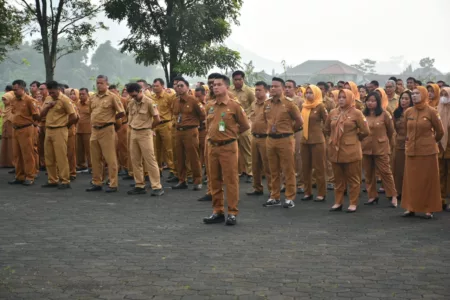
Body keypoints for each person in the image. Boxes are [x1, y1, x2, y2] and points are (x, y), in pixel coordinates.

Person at [202, 74, 250, 226]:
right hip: (213, 146)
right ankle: (217, 211)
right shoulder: (210, 106)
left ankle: (232, 212)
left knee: (231, 181)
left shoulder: (234, 106)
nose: (214, 87)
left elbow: (245, 126)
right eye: (213, 85)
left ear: (226, 87)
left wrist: (232, 134)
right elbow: (208, 124)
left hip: (228, 146)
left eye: (218, 84)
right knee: (214, 180)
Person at [324, 89, 370, 213]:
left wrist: (355, 138)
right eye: (339, 97)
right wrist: (334, 138)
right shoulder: (333, 112)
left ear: (350, 98)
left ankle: (353, 203)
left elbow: (365, 131)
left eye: (344, 97)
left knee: (353, 179)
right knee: (338, 179)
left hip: (351, 150)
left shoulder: (357, 113)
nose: (341, 99)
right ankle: (338, 202)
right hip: (335, 150)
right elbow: (326, 128)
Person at [401, 86, 444, 219]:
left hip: (427, 152)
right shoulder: (408, 112)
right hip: (412, 152)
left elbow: (440, 132)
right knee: (411, 181)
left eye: (417, 93)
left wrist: (430, 142)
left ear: (424, 95)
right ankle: (411, 207)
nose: (414, 96)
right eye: (412, 93)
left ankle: (428, 209)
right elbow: (405, 129)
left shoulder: (432, 111)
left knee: (427, 181)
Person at [263, 77, 303, 209]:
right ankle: (274, 196)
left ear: (282, 88)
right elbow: (265, 120)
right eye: (271, 86)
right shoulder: (267, 103)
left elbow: (299, 121)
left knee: (288, 169)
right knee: (273, 169)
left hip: (285, 139)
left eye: (276, 86)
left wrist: (290, 131)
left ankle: (289, 197)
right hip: (270, 139)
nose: (273, 88)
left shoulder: (289, 103)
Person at [86, 75, 125, 193]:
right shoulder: (92, 98)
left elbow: (121, 112)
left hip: (107, 129)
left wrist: (111, 118)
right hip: (94, 129)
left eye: (101, 83)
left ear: (107, 84)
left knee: (110, 157)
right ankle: (97, 182)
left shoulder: (112, 97)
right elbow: (90, 112)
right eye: (97, 83)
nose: (99, 85)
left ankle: (113, 183)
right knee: (95, 158)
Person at [126, 83, 164, 196]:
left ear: (140, 91)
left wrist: (149, 128)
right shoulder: (131, 102)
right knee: (135, 160)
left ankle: (157, 187)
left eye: (135, 95)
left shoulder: (149, 102)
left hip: (145, 132)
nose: (133, 97)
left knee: (150, 160)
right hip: (133, 132)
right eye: (131, 95)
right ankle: (139, 185)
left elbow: (157, 119)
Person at [361, 92, 398, 207]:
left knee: (385, 172)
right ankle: (372, 196)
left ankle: (393, 195)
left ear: (378, 102)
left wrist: (387, 143)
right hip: (366, 147)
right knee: (368, 173)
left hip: (381, 147)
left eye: (373, 101)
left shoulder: (384, 114)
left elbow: (391, 131)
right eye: (368, 100)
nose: (370, 103)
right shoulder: (363, 114)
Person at [40, 81, 77, 189]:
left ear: (59, 90)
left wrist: (65, 125)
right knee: (49, 156)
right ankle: (52, 180)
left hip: (60, 130)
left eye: (53, 92)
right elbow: (41, 114)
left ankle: (65, 180)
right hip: (49, 129)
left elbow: (73, 116)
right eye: (50, 92)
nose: (52, 94)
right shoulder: (48, 99)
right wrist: (48, 107)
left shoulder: (65, 100)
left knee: (61, 156)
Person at [171, 78, 205, 190]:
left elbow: (203, 115)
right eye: (177, 86)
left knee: (193, 157)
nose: (179, 88)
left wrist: (196, 125)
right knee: (179, 157)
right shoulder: (175, 101)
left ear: (187, 87)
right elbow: (175, 115)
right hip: (179, 131)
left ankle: (197, 181)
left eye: (181, 86)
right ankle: (182, 180)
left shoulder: (194, 101)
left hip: (191, 131)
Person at [7, 80, 40, 185]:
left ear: (22, 88)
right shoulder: (13, 100)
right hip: (15, 129)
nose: (14, 92)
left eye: (16, 90)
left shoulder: (30, 100)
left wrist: (33, 125)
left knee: (28, 153)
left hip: (26, 129)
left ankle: (30, 176)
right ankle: (19, 176)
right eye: (13, 90)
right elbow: (12, 112)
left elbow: (36, 115)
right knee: (17, 154)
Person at [300, 85, 328, 202]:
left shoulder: (320, 106)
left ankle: (321, 193)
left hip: (317, 141)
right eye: (307, 93)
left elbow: (327, 122)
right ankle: (308, 192)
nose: (308, 95)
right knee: (305, 168)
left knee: (319, 168)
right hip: (304, 140)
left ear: (316, 93)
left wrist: (323, 133)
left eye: (311, 93)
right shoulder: (303, 106)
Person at [246, 81, 271, 196]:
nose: (256, 92)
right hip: (254, 137)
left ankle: (272, 190)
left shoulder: (269, 104)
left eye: (259, 90)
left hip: (266, 138)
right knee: (255, 165)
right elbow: (249, 116)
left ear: (266, 91)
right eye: (255, 90)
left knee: (268, 166)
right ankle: (257, 187)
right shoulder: (254, 104)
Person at [230, 70, 254, 183]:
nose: (237, 81)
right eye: (235, 79)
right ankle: (238, 171)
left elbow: (253, 105)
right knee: (235, 149)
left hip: (245, 124)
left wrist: (247, 117)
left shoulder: (249, 91)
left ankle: (250, 173)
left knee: (247, 149)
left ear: (243, 79)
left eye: (240, 79)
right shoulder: (229, 91)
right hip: (233, 125)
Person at [152, 78, 177, 181]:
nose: (155, 87)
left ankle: (172, 170)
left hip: (166, 124)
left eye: (157, 86)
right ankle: (158, 169)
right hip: (155, 124)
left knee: (169, 148)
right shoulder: (152, 98)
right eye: (154, 86)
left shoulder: (169, 96)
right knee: (156, 149)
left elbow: (173, 109)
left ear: (162, 86)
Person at [393, 91, 413, 201]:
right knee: (399, 169)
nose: (403, 101)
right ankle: (399, 191)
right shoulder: (396, 113)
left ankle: (410, 192)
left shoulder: (413, 113)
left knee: (410, 169)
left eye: (406, 99)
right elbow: (393, 128)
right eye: (402, 98)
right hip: (399, 143)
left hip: (412, 143)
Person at [286, 79, 304, 193]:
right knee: (285, 158)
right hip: (284, 132)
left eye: (289, 87)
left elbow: (302, 118)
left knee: (298, 157)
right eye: (285, 87)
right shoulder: (281, 101)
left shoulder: (300, 101)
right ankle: (286, 182)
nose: (287, 89)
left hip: (297, 130)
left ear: (295, 89)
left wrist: (294, 128)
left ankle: (300, 183)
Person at [437, 87, 450, 212]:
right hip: (440, 148)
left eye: (446, 94)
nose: (444, 97)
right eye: (442, 94)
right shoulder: (438, 110)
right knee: (440, 174)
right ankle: (440, 200)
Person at [76, 88, 91, 173]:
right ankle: (82, 165)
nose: (81, 96)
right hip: (78, 129)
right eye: (80, 94)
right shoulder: (78, 103)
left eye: (83, 94)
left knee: (89, 150)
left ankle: (91, 166)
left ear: (87, 94)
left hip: (88, 130)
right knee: (79, 150)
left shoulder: (90, 104)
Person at [68, 89, 80, 180]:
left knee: (71, 152)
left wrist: (68, 125)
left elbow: (76, 117)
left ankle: (72, 172)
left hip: (69, 130)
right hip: (61, 131)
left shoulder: (72, 104)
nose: (72, 96)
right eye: (70, 94)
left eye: (73, 94)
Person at [194, 86, 208, 169]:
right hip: (195, 131)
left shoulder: (208, 104)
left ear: (204, 94)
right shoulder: (194, 104)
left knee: (204, 152)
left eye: (198, 96)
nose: (197, 98)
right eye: (195, 96)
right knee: (197, 153)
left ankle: (207, 172)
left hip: (203, 130)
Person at [1, 92, 14, 168]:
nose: (3, 102)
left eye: (5, 100)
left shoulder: (12, 108)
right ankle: (4, 162)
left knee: (11, 146)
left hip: (11, 128)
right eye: (3, 100)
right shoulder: (5, 109)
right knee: (4, 145)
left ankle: (11, 163)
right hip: (5, 128)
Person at [37, 82, 49, 170]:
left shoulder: (49, 99)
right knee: (40, 145)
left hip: (47, 124)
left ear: (47, 89)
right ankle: (42, 163)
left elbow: (44, 113)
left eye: (42, 89)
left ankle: (49, 164)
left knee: (48, 145)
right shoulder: (38, 99)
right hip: (39, 124)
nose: (40, 91)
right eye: (39, 89)